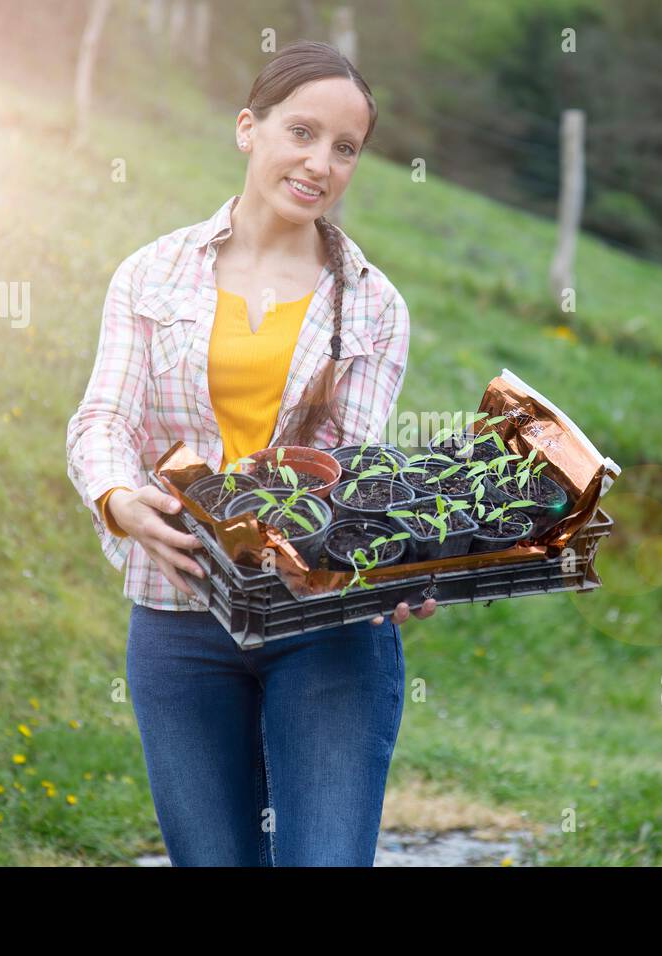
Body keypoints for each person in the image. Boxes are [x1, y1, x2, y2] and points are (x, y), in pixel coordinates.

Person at [64, 40, 436, 866]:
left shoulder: (372, 305)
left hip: (325, 626)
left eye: (345, 148)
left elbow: (354, 471)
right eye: (301, 133)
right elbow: (103, 421)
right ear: (247, 129)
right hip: (179, 617)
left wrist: (400, 562)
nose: (320, 163)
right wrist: (118, 501)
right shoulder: (152, 275)